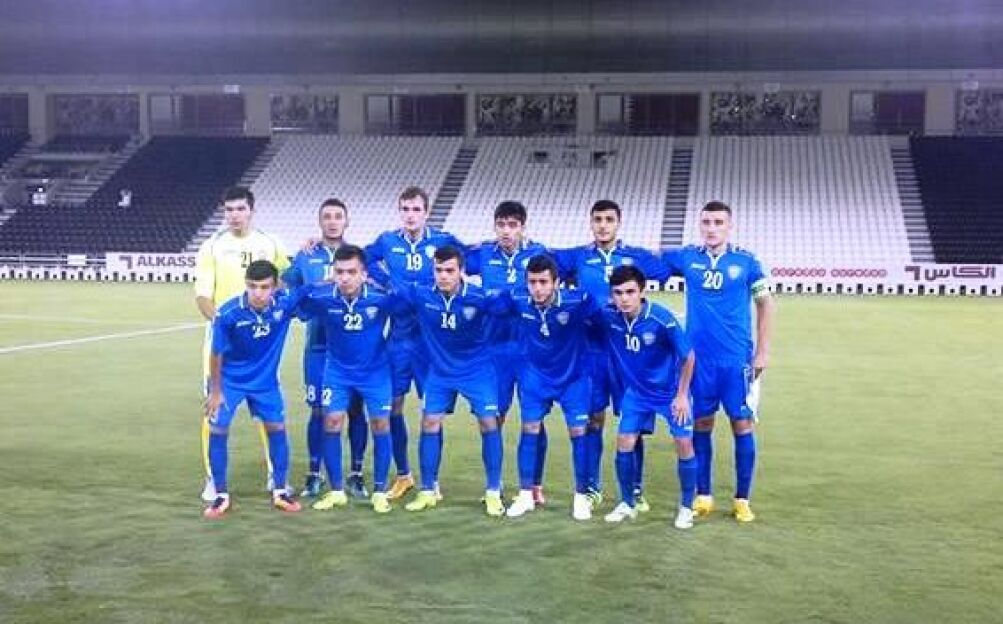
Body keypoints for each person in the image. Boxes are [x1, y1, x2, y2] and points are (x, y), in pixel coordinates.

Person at [552, 199, 669, 511]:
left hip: (629, 353)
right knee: (593, 418)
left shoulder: (634, 257)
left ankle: (635, 490)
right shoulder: (578, 257)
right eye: (598, 219)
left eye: (609, 219)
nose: (603, 225)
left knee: (633, 420)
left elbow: (664, 269)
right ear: (591, 223)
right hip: (591, 352)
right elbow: (543, 262)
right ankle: (591, 487)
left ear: (618, 222)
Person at [660, 201, 774, 523]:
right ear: (700, 225)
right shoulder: (687, 258)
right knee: (701, 423)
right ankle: (703, 494)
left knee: (742, 424)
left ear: (729, 226)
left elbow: (766, 305)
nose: (712, 228)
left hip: (737, 360)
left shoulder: (747, 261)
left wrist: (763, 351)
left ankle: (742, 499)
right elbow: (652, 262)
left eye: (718, 222)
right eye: (706, 222)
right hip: (698, 361)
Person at [365, 186, 464, 502]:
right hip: (397, 341)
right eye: (405, 209)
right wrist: (384, 281)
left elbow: (473, 258)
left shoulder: (442, 241)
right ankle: (404, 474)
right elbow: (363, 258)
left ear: (426, 212)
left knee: (431, 411)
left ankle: (431, 480)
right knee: (392, 406)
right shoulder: (387, 241)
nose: (410, 215)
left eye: (416, 209)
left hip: (429, 344)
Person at [194, 186, 290, 502]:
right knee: (214, 408)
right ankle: (213, 479)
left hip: (260, 340)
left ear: (252, 210)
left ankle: (275, 475)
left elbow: (286, 280)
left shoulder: (270, 243)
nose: (235, 215)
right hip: (224, 338)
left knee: (268, 409)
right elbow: (203, 296)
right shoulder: (212, 246)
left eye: (240, 209)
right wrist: (224, 324)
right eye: (229, 209)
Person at [396, 246, 506, 516]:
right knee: (430, 422)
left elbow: (507, 308)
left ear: (462, 271)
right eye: (438, 270)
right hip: (441, 371)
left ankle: (493, 491)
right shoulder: (421, 293)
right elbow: (388, 292)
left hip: (476, 370)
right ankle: (428, 489)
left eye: (449, 270)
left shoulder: (478, 297)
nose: (443, 276)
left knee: (488, 422)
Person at [492, 255, 599, 520]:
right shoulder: (517, 298)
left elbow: (601, 321)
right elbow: (490, 307)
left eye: (543, 282)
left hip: (573, 378)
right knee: (529, 428)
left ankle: (581, 497)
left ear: (556, 282)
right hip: (535, 377)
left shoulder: (578, 301)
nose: (537, 288)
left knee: (578, 432)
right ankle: (525, 495)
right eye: (532, 282)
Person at [298, 245, 402, 514]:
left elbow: (408, 307)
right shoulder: (324, 297)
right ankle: (336, 491)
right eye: (340, 272)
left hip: (375, 373)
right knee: (332, 421)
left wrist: (388, 282)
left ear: (364, 274)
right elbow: (296, 305)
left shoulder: (380, 298)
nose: (344, 278)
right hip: (337, 372)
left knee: (380, 424)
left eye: (351, 272)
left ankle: (379, 491)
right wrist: (314, 284)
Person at [597, 266, 697, 529]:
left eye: (630, 292)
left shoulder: (661, 319)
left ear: (642, 291)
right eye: (618, 293)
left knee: (684, 443)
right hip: (637, 393)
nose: (624, 298)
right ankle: (627, 503)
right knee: (624, 442)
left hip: (670, 393)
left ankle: (687, 508)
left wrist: (682, 395)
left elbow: (688, 357)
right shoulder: (609, 317)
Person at [202, 260, 303, 519]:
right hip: (230, 381)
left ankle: (280, 490)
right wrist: (216, 392)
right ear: (246, 284)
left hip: (265, 382)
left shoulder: (284, 304)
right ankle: (220, 494)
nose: (258, 293)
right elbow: (216, 353)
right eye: (252, 286)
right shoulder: (228, 313)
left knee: (277, 428)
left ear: (275, 286)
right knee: (218, 428)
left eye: (265, 287)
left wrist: (333, 278)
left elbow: (309, 288)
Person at [464, 200, 550, 504]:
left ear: (523, 227)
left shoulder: (538, 254)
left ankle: (534, 484)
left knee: (534, 418)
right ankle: (494, 483)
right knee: (493, 417)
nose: (506, 231)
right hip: (495, 352)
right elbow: (449, 260)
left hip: (530, 352)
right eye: (501, 225)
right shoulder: (483, 254)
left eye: (512, 225)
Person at [283, 199, 369, 499]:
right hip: (318, 347)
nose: (332, 221)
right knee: (319, 411)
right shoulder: (306, 256)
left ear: (347, 221)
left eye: (338, 216)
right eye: (327, 217)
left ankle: (356, 474)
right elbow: (290, 290)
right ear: (320, 222)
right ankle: (314, 473)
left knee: (355, 410)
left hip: (353, 350)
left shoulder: (358, 255)